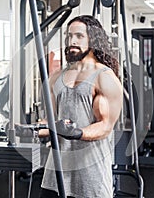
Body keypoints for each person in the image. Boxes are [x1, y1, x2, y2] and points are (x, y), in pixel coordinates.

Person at [38, 15, 123, 198]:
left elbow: (105, 125)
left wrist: (77, 132)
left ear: (93, 38)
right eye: (69, 36)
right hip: (55, 176)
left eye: (79, 36)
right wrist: (33, 130)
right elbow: (51, 121)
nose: (72, 41)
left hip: (90, 177)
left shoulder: (104, 77)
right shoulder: (55, 77)